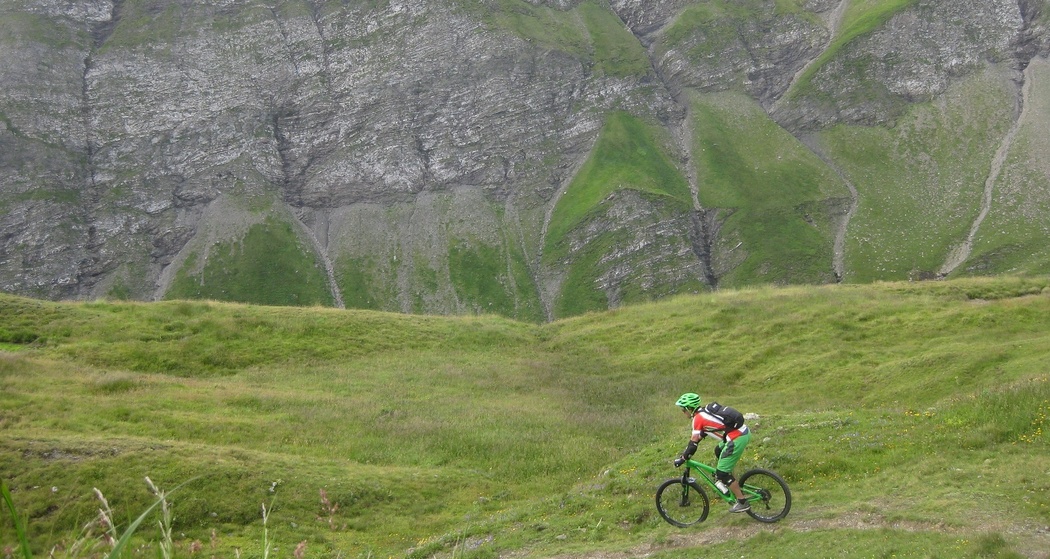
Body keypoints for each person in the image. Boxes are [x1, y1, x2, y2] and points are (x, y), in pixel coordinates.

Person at [673, 392, 752, 513]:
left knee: (722, 473)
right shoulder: (704, 411)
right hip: (742, 432)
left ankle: (742, 501)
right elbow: (706, 431)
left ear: (690, 408)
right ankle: (729, 481)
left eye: (683, 410)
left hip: (737, 438)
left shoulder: (698, 418)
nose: (683, 412)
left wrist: (683, 458)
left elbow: (693, 443)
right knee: (718, 450)